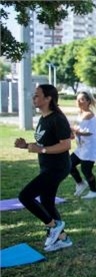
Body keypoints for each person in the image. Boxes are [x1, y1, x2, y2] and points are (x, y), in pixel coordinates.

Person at [14, 84, 73, 252]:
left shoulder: (57, 119)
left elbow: (65, 145)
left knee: (25, 196)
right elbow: (44, 143)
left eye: (37, 95)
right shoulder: (43, 118)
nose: (34, 98)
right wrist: (26, 145)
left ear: (48, 98)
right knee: (47, 202)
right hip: (47, 166)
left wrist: (41, 150)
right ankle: (62, 239)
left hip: (57, 167)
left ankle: (53, 226)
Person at [70, 91, 96, 199]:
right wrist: (72, 133)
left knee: (86, 170)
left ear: (88, 101)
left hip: (90, 148)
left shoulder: (89, 115)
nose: (78, 102)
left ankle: (94, 192)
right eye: (77, 99)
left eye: (82, 99)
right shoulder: (80, 114)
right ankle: (80, 183)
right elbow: (75, 129)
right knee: (68, 164)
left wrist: (74, 131)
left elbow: (88, 132)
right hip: (81, 147)